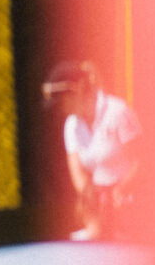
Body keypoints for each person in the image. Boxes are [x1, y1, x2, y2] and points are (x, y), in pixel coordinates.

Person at [41, 60, 142, 241]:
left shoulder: (118, 112)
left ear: (79, 89)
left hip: (132, 209)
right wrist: (93, 201)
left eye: (62, 100)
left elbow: (142, 162)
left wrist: (118, 191)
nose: (60, 108)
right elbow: (78, 173)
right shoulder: (71, 126)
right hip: (98, 215)